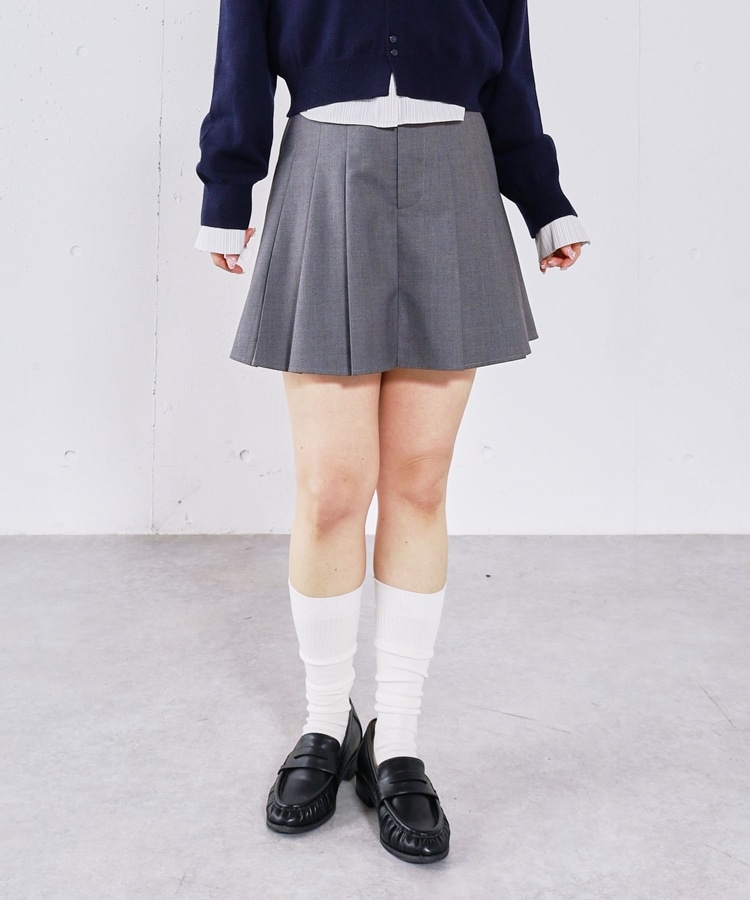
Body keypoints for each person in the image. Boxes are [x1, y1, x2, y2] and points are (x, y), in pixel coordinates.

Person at [194, 0, 589, 865]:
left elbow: (510, 70)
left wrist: (544, 202)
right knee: (332, 491)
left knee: (419, 483)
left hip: (457, 170)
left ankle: (397, 739)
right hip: (324, 165)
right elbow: (241, 57)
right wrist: (227, 188)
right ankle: (323, 724)